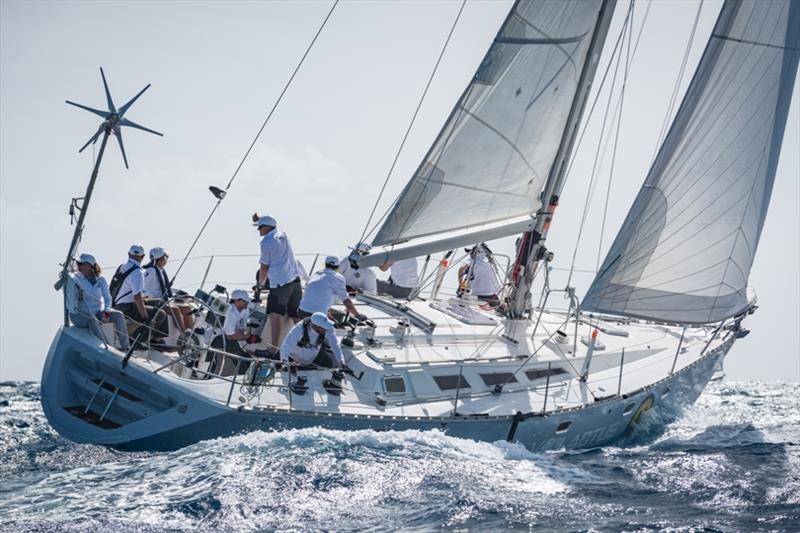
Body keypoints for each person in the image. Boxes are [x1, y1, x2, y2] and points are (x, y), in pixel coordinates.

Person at [255, 214, 303, 345]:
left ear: (267, 227)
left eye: (260, 227)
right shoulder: (283, 234)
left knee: (276, 314)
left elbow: (264, 267)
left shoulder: (266, 242)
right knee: (295, 313)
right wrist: (258, 219)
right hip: (295, 280)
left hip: (281, 284)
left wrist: (260, 285)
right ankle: (305, 341)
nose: (258, 230)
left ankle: (273, 348)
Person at [67, 253, 131, 351]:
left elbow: (107, 298)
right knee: (93, 321)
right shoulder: (75, 278)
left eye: (80, 264)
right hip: (79, 316)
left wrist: (106, 313)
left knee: (119, 315)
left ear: (89, 266)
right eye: (77, 263)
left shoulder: (101, 280)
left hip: (96, 313)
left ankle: (126, 347)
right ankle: (109, 349)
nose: (78, 266)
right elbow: (67, 283)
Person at [113, 244, 168, 342]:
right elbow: (137, 298)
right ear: (142, 257)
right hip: (126, 306)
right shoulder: (137, 272)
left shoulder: (122, 266)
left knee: (161, 302)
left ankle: (156, 338)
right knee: (160, 314)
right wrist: (145, 316)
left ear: (129, 254)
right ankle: (137, 341)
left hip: (116, 303)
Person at [298, 256, 366, 320]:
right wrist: (358, 315)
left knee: (333, 322)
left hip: (302, 311)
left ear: (325, 264)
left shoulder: (317, 274)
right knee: (333, 329)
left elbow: (317, 302)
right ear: (338, 267)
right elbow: (346, 301)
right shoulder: (338, 277)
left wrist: (333, 320)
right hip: (317, 315)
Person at [142, 247, 193, 331]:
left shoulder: (160, 271)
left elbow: (166, 288)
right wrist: (154, 298)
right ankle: (184, 335)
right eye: (165, 257)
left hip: (163, 301)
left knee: (187, 308)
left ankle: (191, 334)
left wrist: (180, 292)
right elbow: (143, 289)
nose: (166, 260)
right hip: (155, 302)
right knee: (175, 310)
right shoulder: (150, 271)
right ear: (160, 259)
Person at [209, 289, 258, 373]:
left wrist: (248, 337)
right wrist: (247, 337)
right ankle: (242, 376)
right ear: (237, 301)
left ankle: (250, 375)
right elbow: (230, 336)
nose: (247, 303)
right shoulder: (230, 313)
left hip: (230, 339)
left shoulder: (245, 310)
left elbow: (241, 330)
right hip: (219, 338)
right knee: (240, 359)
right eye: (245, 301)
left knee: (248, 358)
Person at [279, 312, 344, 369]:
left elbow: (335, 345)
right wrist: (284, 361)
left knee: (331, 363)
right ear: (315, 326)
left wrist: (341, 362)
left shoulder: (329, 328)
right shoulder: (299, 328)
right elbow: (286, 345)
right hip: (294, 355)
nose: (327, 329)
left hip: (313, 355)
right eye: (324, 327)